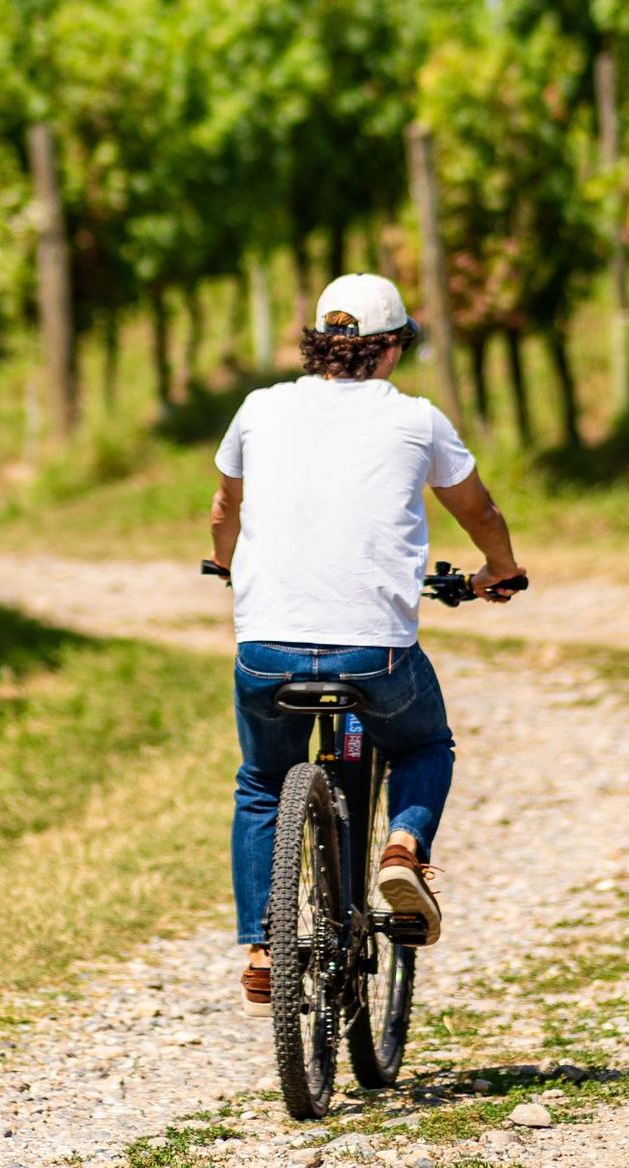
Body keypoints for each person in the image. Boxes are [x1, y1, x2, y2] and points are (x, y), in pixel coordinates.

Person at [206, 272, 526, 1014]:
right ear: (389, 349)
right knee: (423, 744)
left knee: (261, 780)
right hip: (373, 654)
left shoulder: (259, 408)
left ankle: (262, 945)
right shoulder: (417, 420)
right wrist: (500, 571)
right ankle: (403, 849)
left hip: (267, 650)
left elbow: (227, 505)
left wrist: (224, 562)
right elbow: (477, 509)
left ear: (322, 344)